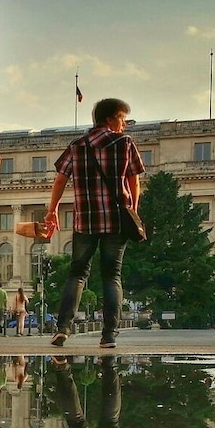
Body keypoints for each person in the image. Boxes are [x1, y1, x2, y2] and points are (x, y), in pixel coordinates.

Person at [44, 98, 145, 348]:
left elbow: (60, 180)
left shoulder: (76, 146)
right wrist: (133, 209)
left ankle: (63, 329)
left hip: (85, 221)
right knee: (112, 276)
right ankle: (108, 335)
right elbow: (134, 181)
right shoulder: (125, 143)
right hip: (116, 220)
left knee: (77, 274)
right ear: (109, 119)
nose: (124, 124)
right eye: (122, 118)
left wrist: (52, 210)